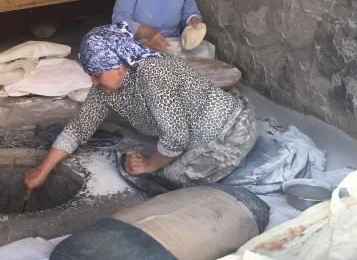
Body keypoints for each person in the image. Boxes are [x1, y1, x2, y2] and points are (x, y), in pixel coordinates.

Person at [23, 22, 256, 196]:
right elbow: (78, 129)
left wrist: (148, 165)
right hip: (193, 135)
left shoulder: (151, 72)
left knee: (167, 178)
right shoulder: (105, 89)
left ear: (119, 66)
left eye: (97, 75)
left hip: (230, 130)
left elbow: (176, 137)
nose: (93, 82)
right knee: (156, 165)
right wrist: (42, 170)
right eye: (90, 75)